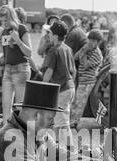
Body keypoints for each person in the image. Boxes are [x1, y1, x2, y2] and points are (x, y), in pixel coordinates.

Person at [0, 5, 33, 124]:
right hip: (8, 70)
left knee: (20, 107)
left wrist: (18, 40)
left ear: (12, 17)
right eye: (1, 21)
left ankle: (23, 134)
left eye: (6, 20)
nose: (4, 23)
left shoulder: (21, 28)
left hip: (21, 69)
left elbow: (29, 52)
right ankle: (6, 134)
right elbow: (5, 53)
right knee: (6, 105)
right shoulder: (3, 31)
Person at [43, 21, 76, 149]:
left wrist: (42, 87)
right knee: (62, 120)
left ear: (56, 36)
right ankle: (63, 148)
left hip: (62, 90)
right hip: (70, 87)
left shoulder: (54, 51)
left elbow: (49, 72)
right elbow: (73, 71)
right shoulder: (68, 49)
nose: (48, 35)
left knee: (60, 122)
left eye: (50, 33)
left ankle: (61, 149)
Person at [70, 29, 104, 129]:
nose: (90, 42)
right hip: (82, 79)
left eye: (94, 41)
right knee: (76, 100)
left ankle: (74, 122)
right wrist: (82, 50)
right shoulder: (86, 48)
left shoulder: (97, 54)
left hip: (88, 81)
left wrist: (84, 52)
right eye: (89, 39)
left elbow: (85, 65)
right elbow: (75, 57)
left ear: (98, 43)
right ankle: (72, 120)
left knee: (79, 102)